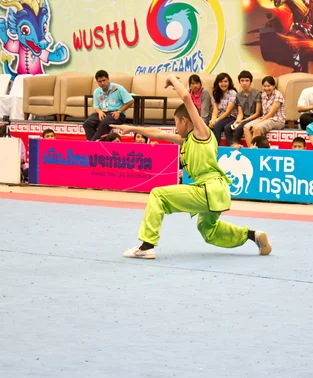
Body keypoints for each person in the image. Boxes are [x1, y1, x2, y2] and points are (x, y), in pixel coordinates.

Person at [111, 74, 272, 259]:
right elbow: (157, 133)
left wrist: (172, 79)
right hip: (217, 192)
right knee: (207, 230)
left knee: (158, 194)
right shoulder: (187, 139)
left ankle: (146, 246)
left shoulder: (201, 132)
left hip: (208, 188)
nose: (175, 127)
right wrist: (131, 129)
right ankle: (253, 236)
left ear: (185, 121)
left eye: (175, 122)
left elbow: (187, 98)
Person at [84, 70, 134, 141]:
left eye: (104, 80)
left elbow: (131, 101)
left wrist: (119, 111)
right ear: (97, 82)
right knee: (87, 123)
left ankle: (94, 144)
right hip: (103, 113)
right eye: (100, 81)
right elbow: (96, 107)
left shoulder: (118, 88)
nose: (102, 83)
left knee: (105, 122)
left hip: (117, 113)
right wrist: (100, 112)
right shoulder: (97, 92)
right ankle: (94, 142)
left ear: (108, 79)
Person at [242, 76, 286, 146]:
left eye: (268, 86)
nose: (266, 88)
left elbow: (271, 113)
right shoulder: (263, 95)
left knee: (257, 128)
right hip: (265, 118)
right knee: (246, 127)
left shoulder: (278, 95)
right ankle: (250, 150)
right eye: (264, 86)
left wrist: (258, 123)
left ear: (274, 86)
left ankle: (255, 151)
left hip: (277, 120)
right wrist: (259, 121)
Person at [225, 70, 262, 147]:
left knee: (239, 128)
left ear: (251, 82)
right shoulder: (238, 95)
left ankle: (236, 145)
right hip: (243, 118)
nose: (244, 83)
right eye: (242, 81)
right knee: (227, 128)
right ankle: (230, 146)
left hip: (254, 118)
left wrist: (242, 121)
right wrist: (238, 120)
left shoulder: (257, 93)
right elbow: (240, 113)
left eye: (247, 81)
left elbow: (257, 113)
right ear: (239, 82)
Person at [209, 73, 237, 144]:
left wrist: (217, 120)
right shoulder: (215, 93)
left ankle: (216, 148)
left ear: (229, 82)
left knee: (217, 126)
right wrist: (213, 119)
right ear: (217, 83)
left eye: (225, 81)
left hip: (231, 117)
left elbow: (228, 111)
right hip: (219, 116)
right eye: (221, 82)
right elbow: (215, 109)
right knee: (207, 124)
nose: (223, 84)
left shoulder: (232, 93)